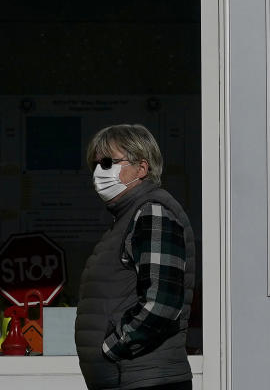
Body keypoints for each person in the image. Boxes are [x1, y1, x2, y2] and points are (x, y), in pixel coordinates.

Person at [75, 124, 196, 390]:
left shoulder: (153, 212)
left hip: (144, 379)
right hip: (128, 379)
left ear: (142, 168)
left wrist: (112, 348)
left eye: (108, 162)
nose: (98, 173)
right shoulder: (127, 217)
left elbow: (162, 304)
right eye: (94, 165)